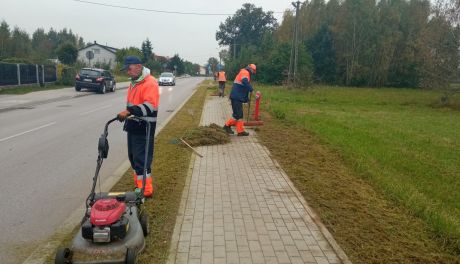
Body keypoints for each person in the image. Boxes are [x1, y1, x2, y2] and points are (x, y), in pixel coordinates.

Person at [117, 56, 159, 197]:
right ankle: (138, 186)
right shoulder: (134, 83)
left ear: (139, 66)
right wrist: (128, 114)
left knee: (142, 160)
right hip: (133, 125)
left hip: (145, 127)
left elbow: (149, 106)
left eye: (129, 69)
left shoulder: (150, 82)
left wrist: (129, 111)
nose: (128, 72)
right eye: (126, 70)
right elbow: (132, 104)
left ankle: (146, 191)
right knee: (133, 158)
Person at [223, 64, 256, 136]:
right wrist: (251, 90)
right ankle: (226, 126)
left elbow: (243, 88)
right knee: (237, 115)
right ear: (251, 69)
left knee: (239, 115)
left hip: (237, 97)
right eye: (253, 71)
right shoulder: (245, 72)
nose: (253, 73)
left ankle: (240, 131)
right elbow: (244, 82)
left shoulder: (244, 72)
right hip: (236, 97)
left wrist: (246, 99)